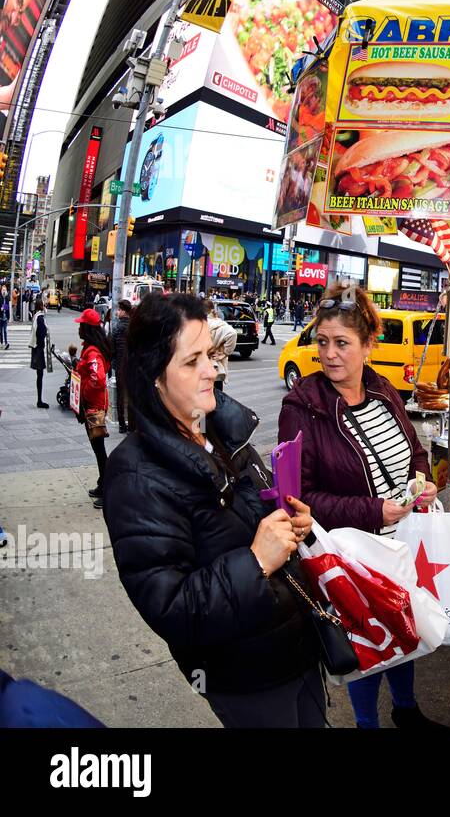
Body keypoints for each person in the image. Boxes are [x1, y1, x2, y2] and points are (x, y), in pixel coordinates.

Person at [103, 293, 323, 727]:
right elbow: (171, 608)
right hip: (244, 673)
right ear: (154, 378)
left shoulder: (223, 427)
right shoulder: (134, 476)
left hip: (297, 644)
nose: (213, 370)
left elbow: (253, 512)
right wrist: (257, 560)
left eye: (212, 354)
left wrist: (290, 519)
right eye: (192, 361)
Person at [279, 283, 439, 729]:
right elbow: (297, 498)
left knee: (406, 628)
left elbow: (415, 450)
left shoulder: (383, 389)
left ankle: (407, 712)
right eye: (323, 342)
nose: (330, 354)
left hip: (399, 544)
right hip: (350, 554)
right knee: (368, 645)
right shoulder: (301, 407)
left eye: (342, 343)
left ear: (368, 344)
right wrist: (372, 511)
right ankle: (367, 724)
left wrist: (422, 481)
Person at [73, 309, 112, 508]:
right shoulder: (91, 348)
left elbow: (98, 379)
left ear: (87, 329)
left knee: (99, 449)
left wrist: (85, 392)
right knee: (97, 448)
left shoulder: (93, 352)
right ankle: (101, 483)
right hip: (92, 405)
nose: (78, 328)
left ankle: (107, 489)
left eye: (81, 325)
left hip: (94, 407)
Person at [205, 299, 238, 396]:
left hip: (203, 365)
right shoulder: (218, 324)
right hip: (216, 367)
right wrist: (225, 353)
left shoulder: (201, 323)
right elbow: (232, 334)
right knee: (217, 396)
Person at [110, 301, 132, 433]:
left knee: (120, 394)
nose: (117, 312)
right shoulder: (133, 327)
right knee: (130, 395)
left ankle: (121, 424)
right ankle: (131, 425)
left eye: (119, 310)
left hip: (120, 364)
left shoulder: (117, 327)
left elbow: (112, 348)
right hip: (131, 364)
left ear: (124, 311)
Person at [29, 297, 48, 409]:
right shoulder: (40, 317)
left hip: (35, 348)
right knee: (40, 375)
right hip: (38, 349)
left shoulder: (36, 316)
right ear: (41, 306)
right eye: (44, 305)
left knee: (39, 375)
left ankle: (39, 399)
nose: (46, 306)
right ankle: (39, 400)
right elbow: (41, 334)